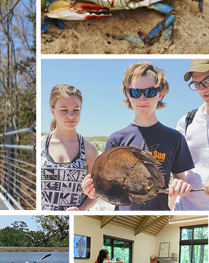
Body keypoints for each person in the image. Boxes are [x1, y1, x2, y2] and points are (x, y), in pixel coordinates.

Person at [82, 61, 194, 210]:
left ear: (160, 94)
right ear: (128, 95)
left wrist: (181, 186)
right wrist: (92, 192)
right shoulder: (117, 140)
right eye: (135, 92)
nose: (142, 99)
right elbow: (107, 189)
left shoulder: (175, 138)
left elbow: (180, 181)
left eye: (149, 92)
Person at [41, 85, 99, 210]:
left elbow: (96, 193)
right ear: (53, 111)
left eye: (76, 110)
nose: (71, 115)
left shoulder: (90, 151)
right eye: (64, 110)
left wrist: (81, 210)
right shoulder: (40, 146)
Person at [175, 59, 209, 210]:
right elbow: (178, 171)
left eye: (207, 80)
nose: (203, 89)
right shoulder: (186, 122)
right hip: (186, 208)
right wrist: (177, 183)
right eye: (197, 84)